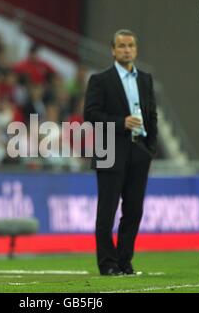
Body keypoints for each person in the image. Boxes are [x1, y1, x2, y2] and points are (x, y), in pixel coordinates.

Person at [84, 29, 157, 276]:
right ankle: (107, 264)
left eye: (131, 46)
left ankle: (125, 262)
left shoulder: (145, 79)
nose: (127, 50)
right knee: (108, 210)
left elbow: (152, 115)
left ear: (136, 49)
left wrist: (150, 148)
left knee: (134, 210)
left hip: (139, 151)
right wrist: (120, 122)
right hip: (109, 149)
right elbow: (91, 115)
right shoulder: (100, 80)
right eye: (122, 46)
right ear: (113, 50)